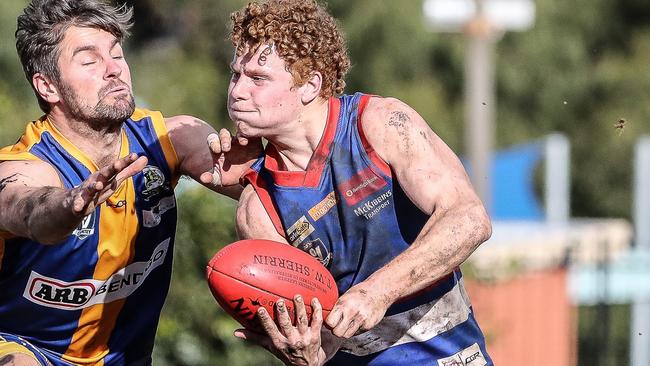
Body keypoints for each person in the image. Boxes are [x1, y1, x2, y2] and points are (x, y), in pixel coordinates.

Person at [223, 0, 494, 365]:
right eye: (235, 75)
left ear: (310, 85)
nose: (238, 91)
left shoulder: (380, 124)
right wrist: (305, 353)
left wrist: (376, 292)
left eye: (258, 78)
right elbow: (317, 346)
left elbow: (469, 219)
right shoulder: (260, 209)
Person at [0, 0, 258, 365]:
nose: (113, 70)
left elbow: (271, 188)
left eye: (117, 55)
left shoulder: (169, 139)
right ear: (48, 86)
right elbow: (28, 209)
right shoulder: (26, 165)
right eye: (90, 61)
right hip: (25, 347)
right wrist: (70, 203)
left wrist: (270, 152)